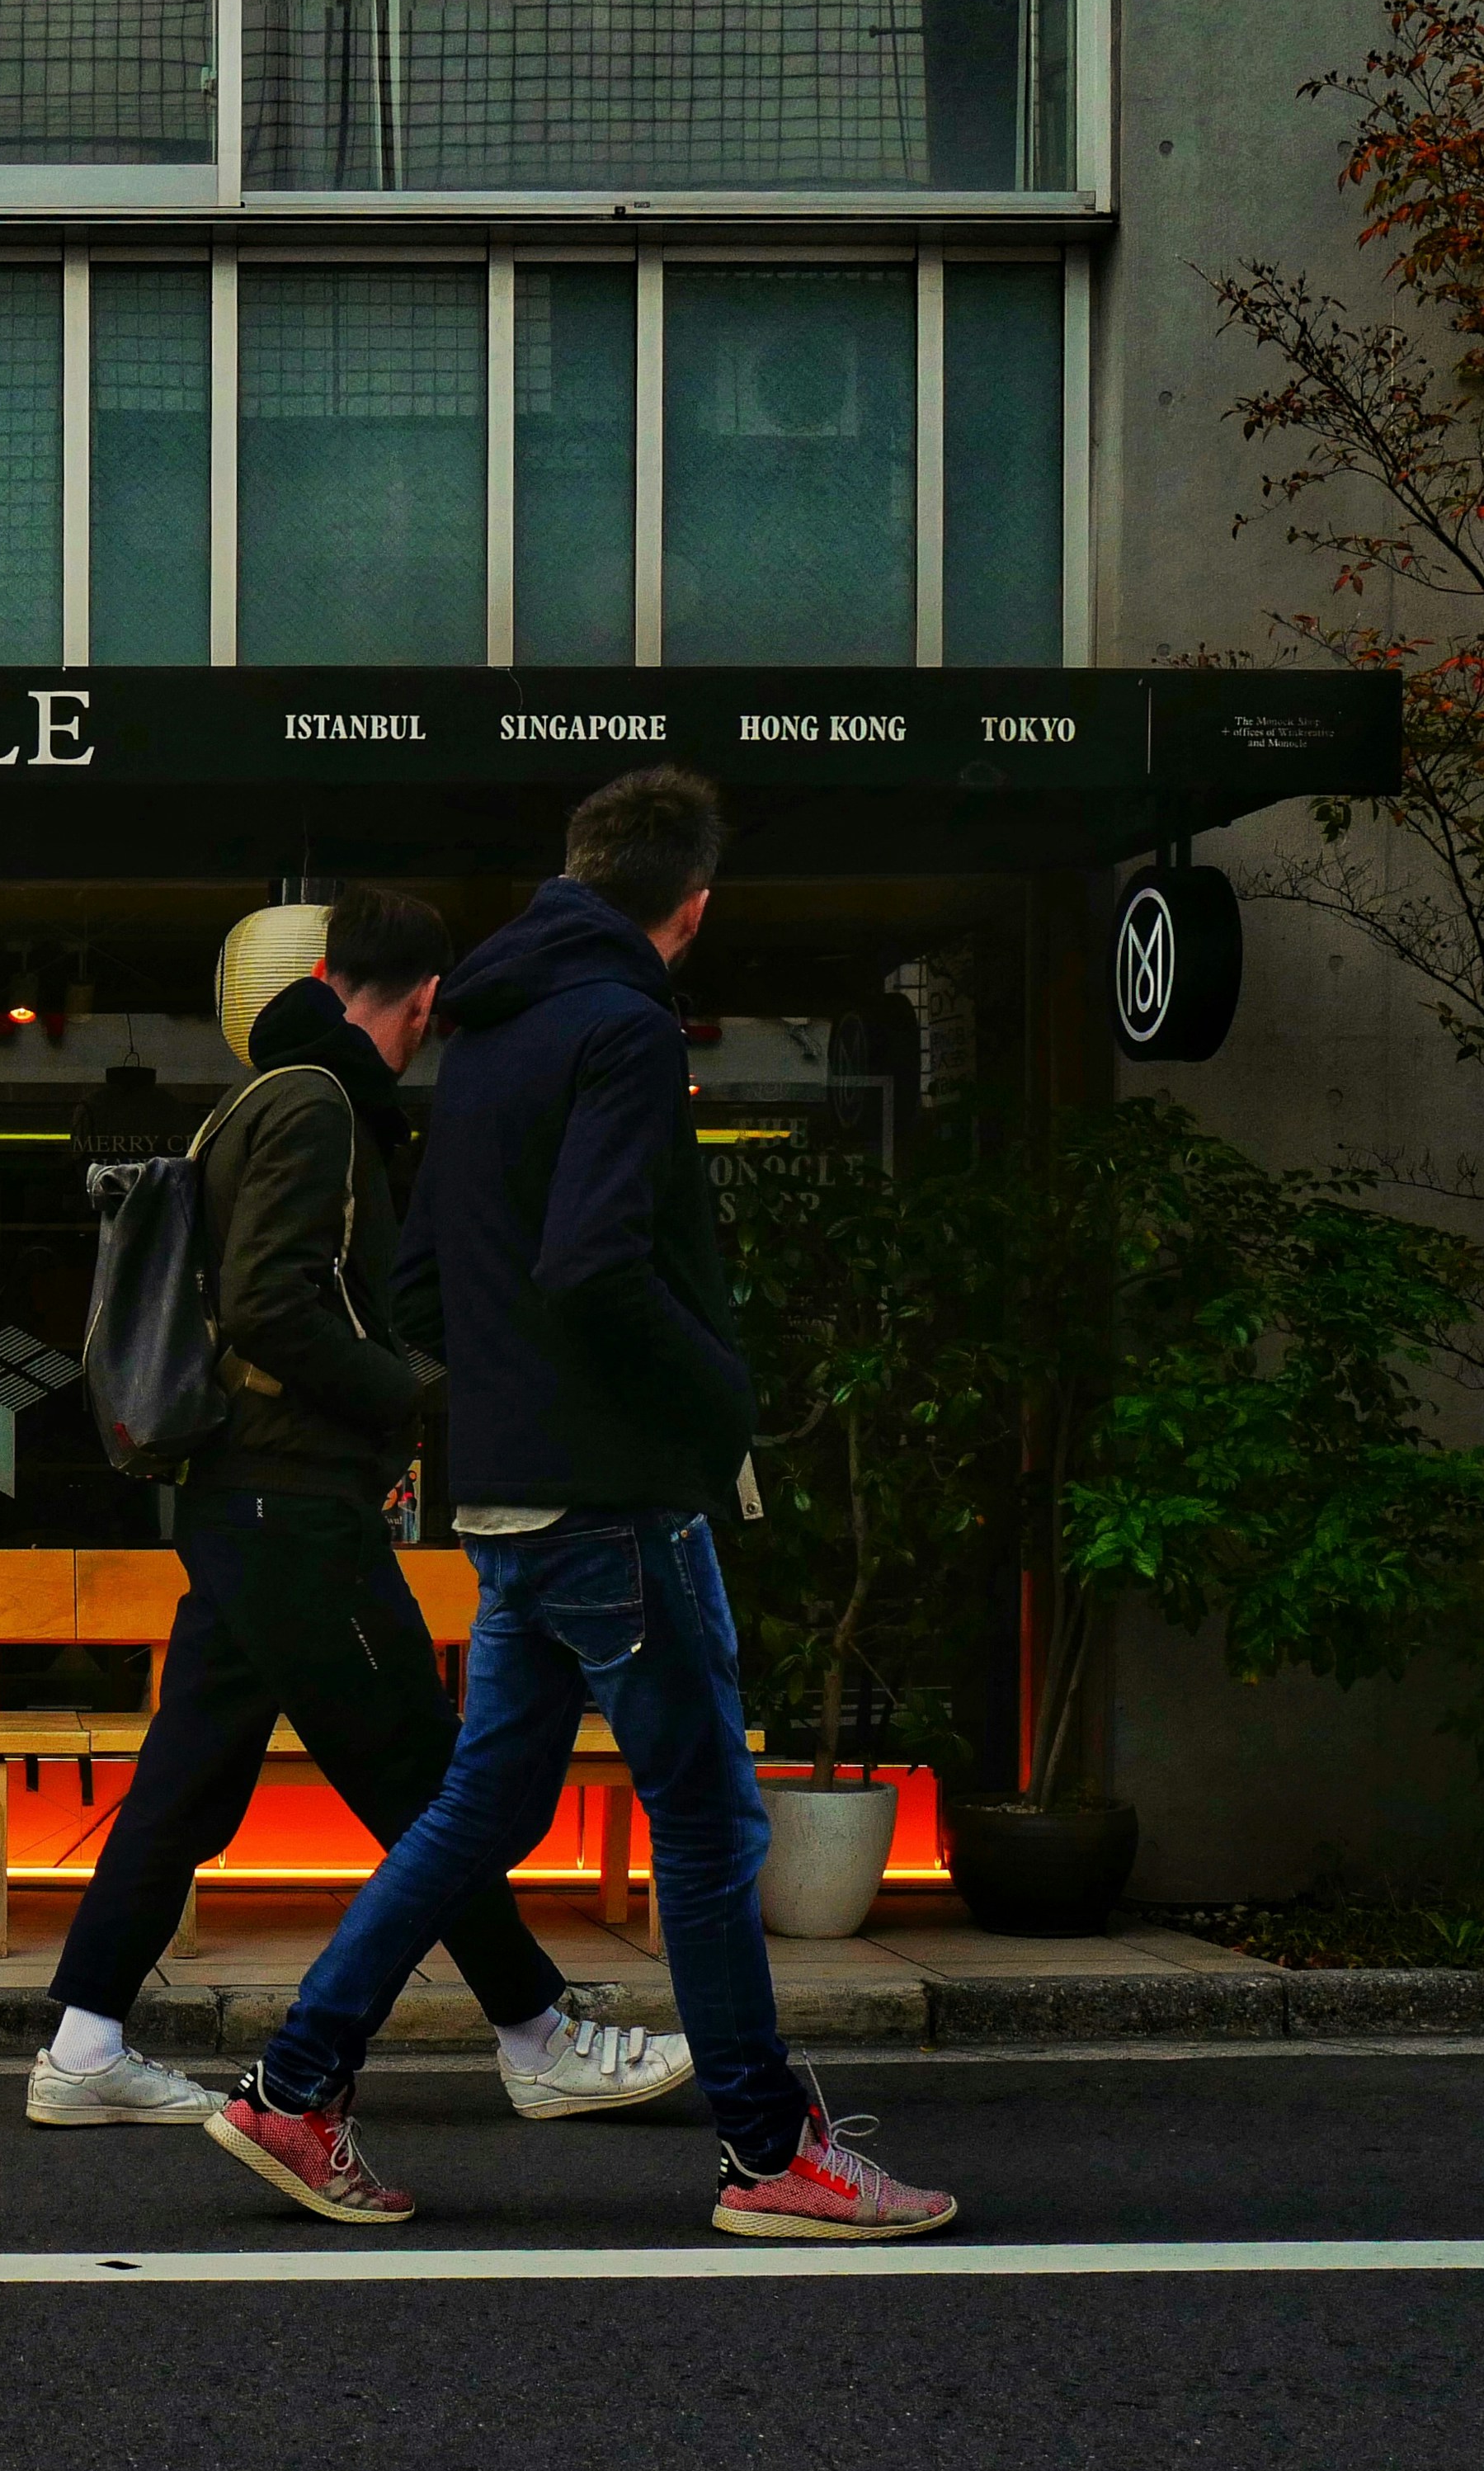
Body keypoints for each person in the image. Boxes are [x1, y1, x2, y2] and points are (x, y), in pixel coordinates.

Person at [203, 772, 959, 2240]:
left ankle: (294, 2089)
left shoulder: (484, 1030)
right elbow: (599, 1261)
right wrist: (720, 1399)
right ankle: (770, 2156)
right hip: (618, 1497)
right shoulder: (623, 1028)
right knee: (710, 1825)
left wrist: (492, 1415)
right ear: (694, 907)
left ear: (580, 871)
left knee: (481, 1807)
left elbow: (422, 1286)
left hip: (509, 1494)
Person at [28, 884, 691, 2129]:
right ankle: (538, 2035)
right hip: (291, 1504)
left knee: (186, 1783)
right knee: (426, 1777)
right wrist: (411, 1397)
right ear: (426, 1000)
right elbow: (274, 1304)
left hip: (246, 1500)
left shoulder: (262, 1096)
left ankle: (84, 2044)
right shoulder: (320, 1104)